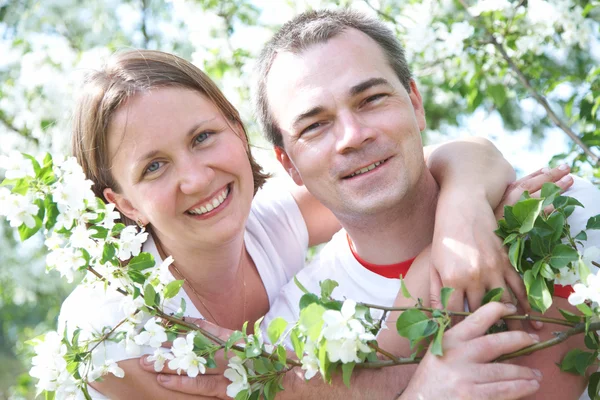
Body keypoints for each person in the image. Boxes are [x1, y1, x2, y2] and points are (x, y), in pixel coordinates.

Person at [143, 9, 599, 400]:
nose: (353, 136)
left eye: (372, 99)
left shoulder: (571, 214)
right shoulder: (292, 335)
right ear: (289, 165)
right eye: (315, 126)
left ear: (415, 104)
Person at [57, 48, 552, 400]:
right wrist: (423, 389)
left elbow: (455, 156)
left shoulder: (265, 221)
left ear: (236, 128)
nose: (195, 178)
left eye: (203, 137)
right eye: (154, 167)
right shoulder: (112, 327)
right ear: (124, 203)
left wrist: (462, 218)